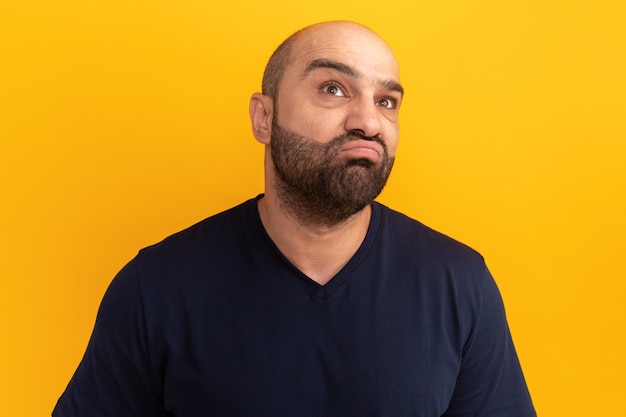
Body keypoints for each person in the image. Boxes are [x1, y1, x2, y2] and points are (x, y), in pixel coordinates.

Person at [53, 21, 536, 416]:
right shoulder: (154, 289)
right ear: (264, 118)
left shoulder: (458, 284)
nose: (368, 121)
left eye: (386, 101)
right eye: (333, 88)